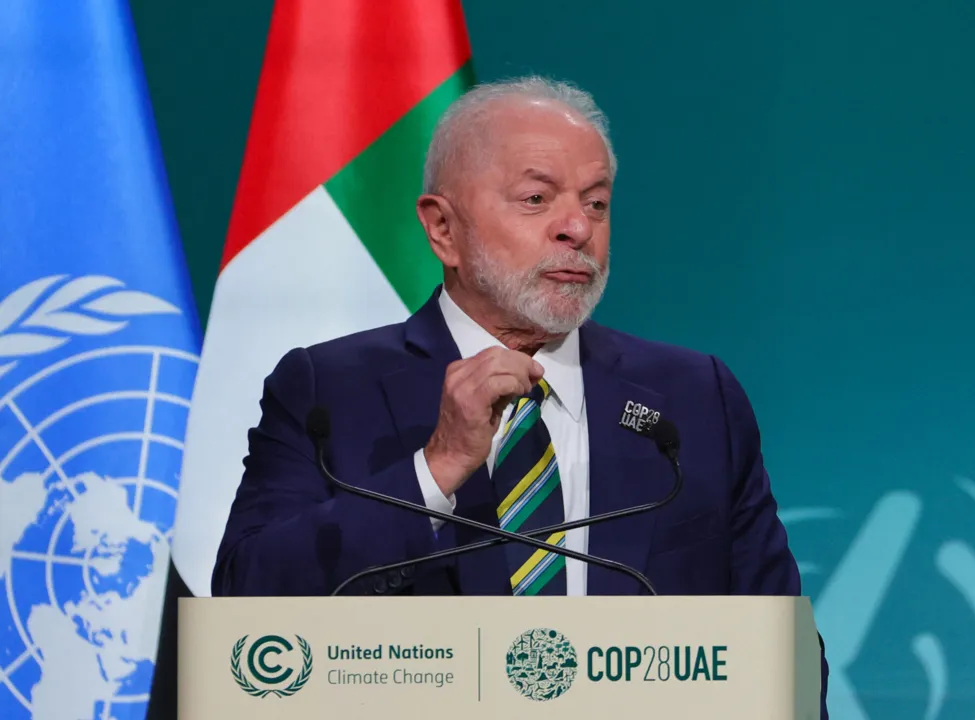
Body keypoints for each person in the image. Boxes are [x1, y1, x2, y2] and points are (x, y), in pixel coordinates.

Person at [211, 76, 828, 715]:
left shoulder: (695, 398)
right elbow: (245, 607)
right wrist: (434, 470)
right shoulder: (329, 391)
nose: (576, 229)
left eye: (596, 204)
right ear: (443, 229)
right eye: (537, 198)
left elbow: (782, 658)